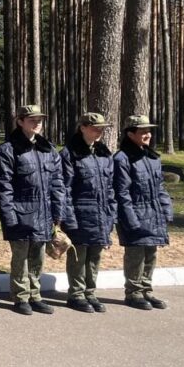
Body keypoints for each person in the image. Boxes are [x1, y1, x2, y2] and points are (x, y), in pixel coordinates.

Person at [0, 104, 66, 315]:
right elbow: (3, 186)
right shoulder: (8, 150)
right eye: (32, 120)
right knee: (21, 258)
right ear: (20, 122)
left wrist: (57, 212)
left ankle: (35, 295)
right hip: (20, 213)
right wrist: (9, 216)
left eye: (39, 120)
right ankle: (20, 297)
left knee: (38, 257)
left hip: (44, 214)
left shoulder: (48, 149)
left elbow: (57, 183)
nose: (37, 123)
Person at [114, 114, 173, 310]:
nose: (148, 135)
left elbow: (160, 187)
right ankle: (133, 293)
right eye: (143, 132)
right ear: (130, 134)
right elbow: (122, 192)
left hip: (154, 213)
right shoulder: (122, 159)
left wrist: (166, 210)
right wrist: (130, 219)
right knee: (136, 255)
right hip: (135, 214)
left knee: (151, 254)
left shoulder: (152, 157)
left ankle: (146, 290)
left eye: (149, 131)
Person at [60, 112, 116, 313]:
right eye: (95, 128)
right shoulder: (69, 153)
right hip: (80, 213)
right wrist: (68, 217)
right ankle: (76, 294)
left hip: (101, 214)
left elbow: (110, 188)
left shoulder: (104, 154)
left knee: (94, 256)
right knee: (79, 256)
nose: (99, 132)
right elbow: (64, 189)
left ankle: (90, 293)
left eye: (102, 129)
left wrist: (111, 214)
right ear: (82, 127)